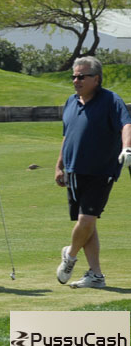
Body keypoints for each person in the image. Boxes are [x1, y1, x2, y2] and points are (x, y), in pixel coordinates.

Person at [55, 56, 131, 289]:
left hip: (101, 170)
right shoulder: (71, 101)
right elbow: (67, 136)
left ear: (96, 79)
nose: (76, 80)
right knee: (88, 223)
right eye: (74, 76)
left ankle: (70, 254)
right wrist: (59, 165)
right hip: (74, 170)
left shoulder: (110, 100)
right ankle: (95, 275)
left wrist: (127, 147)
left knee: (87, 219)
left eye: (81, 76)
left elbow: (126, 124)